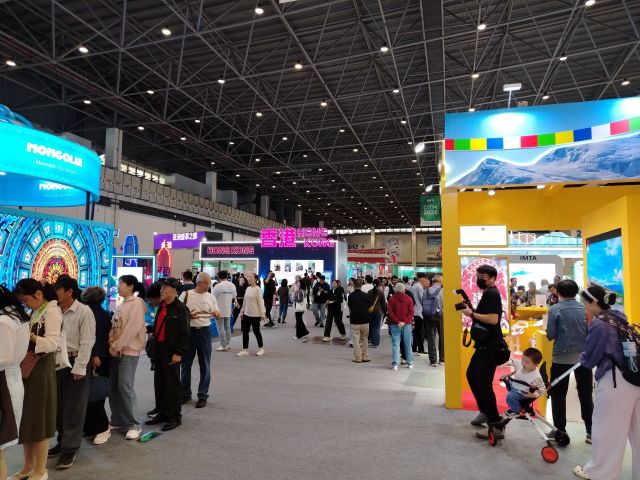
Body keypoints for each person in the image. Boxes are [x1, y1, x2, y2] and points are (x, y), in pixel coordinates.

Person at [573, 286, 637, 480]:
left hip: (615, 380)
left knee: (607, 429)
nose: (585, 308)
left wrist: (582, 358)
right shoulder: (620, 317)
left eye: (585, 304)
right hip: (634, 377)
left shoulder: (600, 324)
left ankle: (600, 473)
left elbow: (590, 358)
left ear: (594, 302)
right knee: (637, 431)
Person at [13, 279, 67, 480]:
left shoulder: (51, 311)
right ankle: (28, 466)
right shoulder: (35, 311)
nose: (25, 304)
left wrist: (29, 336)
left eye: (26, 300)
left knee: (39, 420)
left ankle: (40, 470)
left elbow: (53, 344)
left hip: (41, 371)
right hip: (27, 370)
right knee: (27, 420)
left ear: (38, 294)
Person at [47, 276, 96, 470]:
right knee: (58, 405)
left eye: (58, 289)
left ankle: (70, 449)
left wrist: (81, 366)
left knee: (73, 407)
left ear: (69, 291)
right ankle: (62, 440)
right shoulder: (54, 310)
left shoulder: (84, 311)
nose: (55, 293)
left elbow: (87, 341)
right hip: (56, 361)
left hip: (75, 361)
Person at [462, 265, 509, 436]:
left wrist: (471, 314)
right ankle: (485, 411)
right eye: (477, 276)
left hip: (490, 347)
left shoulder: (492, 294)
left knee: (483, 383)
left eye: (482, 276)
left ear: (492, 278)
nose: (478, 279)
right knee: (472, 376)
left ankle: (495, 424)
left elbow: (493, 319)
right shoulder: (488, 293)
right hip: (484, 345)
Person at [546, 279, 592, 445]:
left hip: (561, 357)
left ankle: (560, 430)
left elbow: (550, 335)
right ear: (576, 291)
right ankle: (591, 431)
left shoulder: (554, 309)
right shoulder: (586, 309)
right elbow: (590, 332)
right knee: (585, 393)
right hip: (583, 358)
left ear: (558, 292)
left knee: (558, 394)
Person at [146, 278, 190, 431]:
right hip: (159, 350)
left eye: (164, 288)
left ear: (174, 291)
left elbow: (184, 333)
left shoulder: (181, 309)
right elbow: (158, 326)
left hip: (172, 352)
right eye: (161, 288)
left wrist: (179, 352)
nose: (161, 291)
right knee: (159, 383)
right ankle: (162, 412)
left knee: (172, 385)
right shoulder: (162, 306)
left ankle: (174, 416)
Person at [108, 275, 147, 440]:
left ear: (131, 286)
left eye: (121, 284)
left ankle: (134, 424)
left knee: (125, 386)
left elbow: (132, 329)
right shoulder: (122, 304)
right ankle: (117, 419)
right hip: (116, 350)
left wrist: (117, 345)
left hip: (129, 351)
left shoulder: (137, 303)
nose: (118, 287)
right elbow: (114, 326)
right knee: (113, 387)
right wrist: (111, 342)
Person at [0, 286, 30, 480]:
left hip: (5, 382)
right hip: (10, 378)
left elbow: (4, 357)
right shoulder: (15, 317)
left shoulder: (4, 321)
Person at [179, 272, 220, 409]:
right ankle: (185, 393)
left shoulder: (211, 297)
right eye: (206, 283)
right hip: (189, 332)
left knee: (205, 364)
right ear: (199, 283)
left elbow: (217, 313)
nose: (208, 285)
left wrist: (216, 313)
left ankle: (203, 395)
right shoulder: (186, 295)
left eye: (209, 283)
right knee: (185, 364)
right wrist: (189, 315)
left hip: (204, 331)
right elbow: (178, 312)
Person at [80, 287, 112, 446]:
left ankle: (102, 428)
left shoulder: (91, 312)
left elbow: (96, 336)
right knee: (92, 395)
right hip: (98, 356)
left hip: (95, 357)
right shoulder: (102, 312)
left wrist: (95, 355)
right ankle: (91, 427)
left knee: (94, 395)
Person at [502, 348, 546, 418]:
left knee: (510, 397)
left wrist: (533, 395)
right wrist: (505, 364)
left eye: (527, 362)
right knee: (506, 379)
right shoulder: (521, 363)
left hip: (522, 392)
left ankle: (517, 411)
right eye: (522, 360)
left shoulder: (536, 377)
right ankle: (524, 408)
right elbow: (513, 361)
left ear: (536, 365)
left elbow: (542, 389)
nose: (523, 363)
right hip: (515, 385)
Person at [237, 272, 266, 357]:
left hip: (255, 315)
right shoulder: (248, 288)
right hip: (247, 314)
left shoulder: (257, 289)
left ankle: (261, 349)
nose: (249, 278)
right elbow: (245, 301)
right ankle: (245, 350)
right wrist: (242, 312)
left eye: (251, 277)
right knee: (245, 332)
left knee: (256, 332)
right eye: (249, 277)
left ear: (256, 279)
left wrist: (262, 313)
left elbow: (260, 302)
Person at [387, 283, 414, 370]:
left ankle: (395, 364)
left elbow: (390, 312)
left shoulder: (392, 299)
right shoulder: (409, 299)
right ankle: (410, 363)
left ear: (395, 289)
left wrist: (397, 321)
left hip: (395, 324)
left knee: (395, 344)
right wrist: (404, 321)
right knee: (408, 344)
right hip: (406, 325)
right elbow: (411, 312)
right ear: (404, 290)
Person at [347, 279, 372, 363]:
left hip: (355, 320)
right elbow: (370, 305)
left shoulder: (351, 296)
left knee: (356, 340)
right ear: (361, 286)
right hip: (365, 320)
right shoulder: (366, 295)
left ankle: (358, 357)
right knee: (365, 339)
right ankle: (365, 356)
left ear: (353, 286)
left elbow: (350, 306)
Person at [212, 271, 237, 352]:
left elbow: (212, 298)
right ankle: (228, 344)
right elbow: (234, 296)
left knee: (220, 327)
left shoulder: (218, 286)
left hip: (218, 309)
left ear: (218, 277)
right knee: (227, 327)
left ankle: (224, 345)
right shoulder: (232, 285)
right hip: (228, 309)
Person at [424, 275, 444, 366]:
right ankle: (442, 359)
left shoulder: (426, 290)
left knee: (431, 338)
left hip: (428, 315)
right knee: (442, 336)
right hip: (440, 315)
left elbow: (422, 302)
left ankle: (433, 360)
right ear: (440, 281)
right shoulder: (443, 291)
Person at [411, 274, 426, 356]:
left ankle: (414, 348)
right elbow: (422, 299)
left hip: (414, 311)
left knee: (416, 331)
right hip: (419, 311)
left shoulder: (414, 286)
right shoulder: (419, 287)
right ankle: (420, 349)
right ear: (421, 279)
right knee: (419, 332)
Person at [367, 280, 386, 348]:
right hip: (378, 312)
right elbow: (383, 304)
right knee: (376, 327)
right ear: (379, 285)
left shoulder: (369, 292)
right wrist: (383, 311)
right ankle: (376, 343)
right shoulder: (381, 292)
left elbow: (367, 302)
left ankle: (373, 341)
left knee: (371, 326)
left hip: (370, 312)